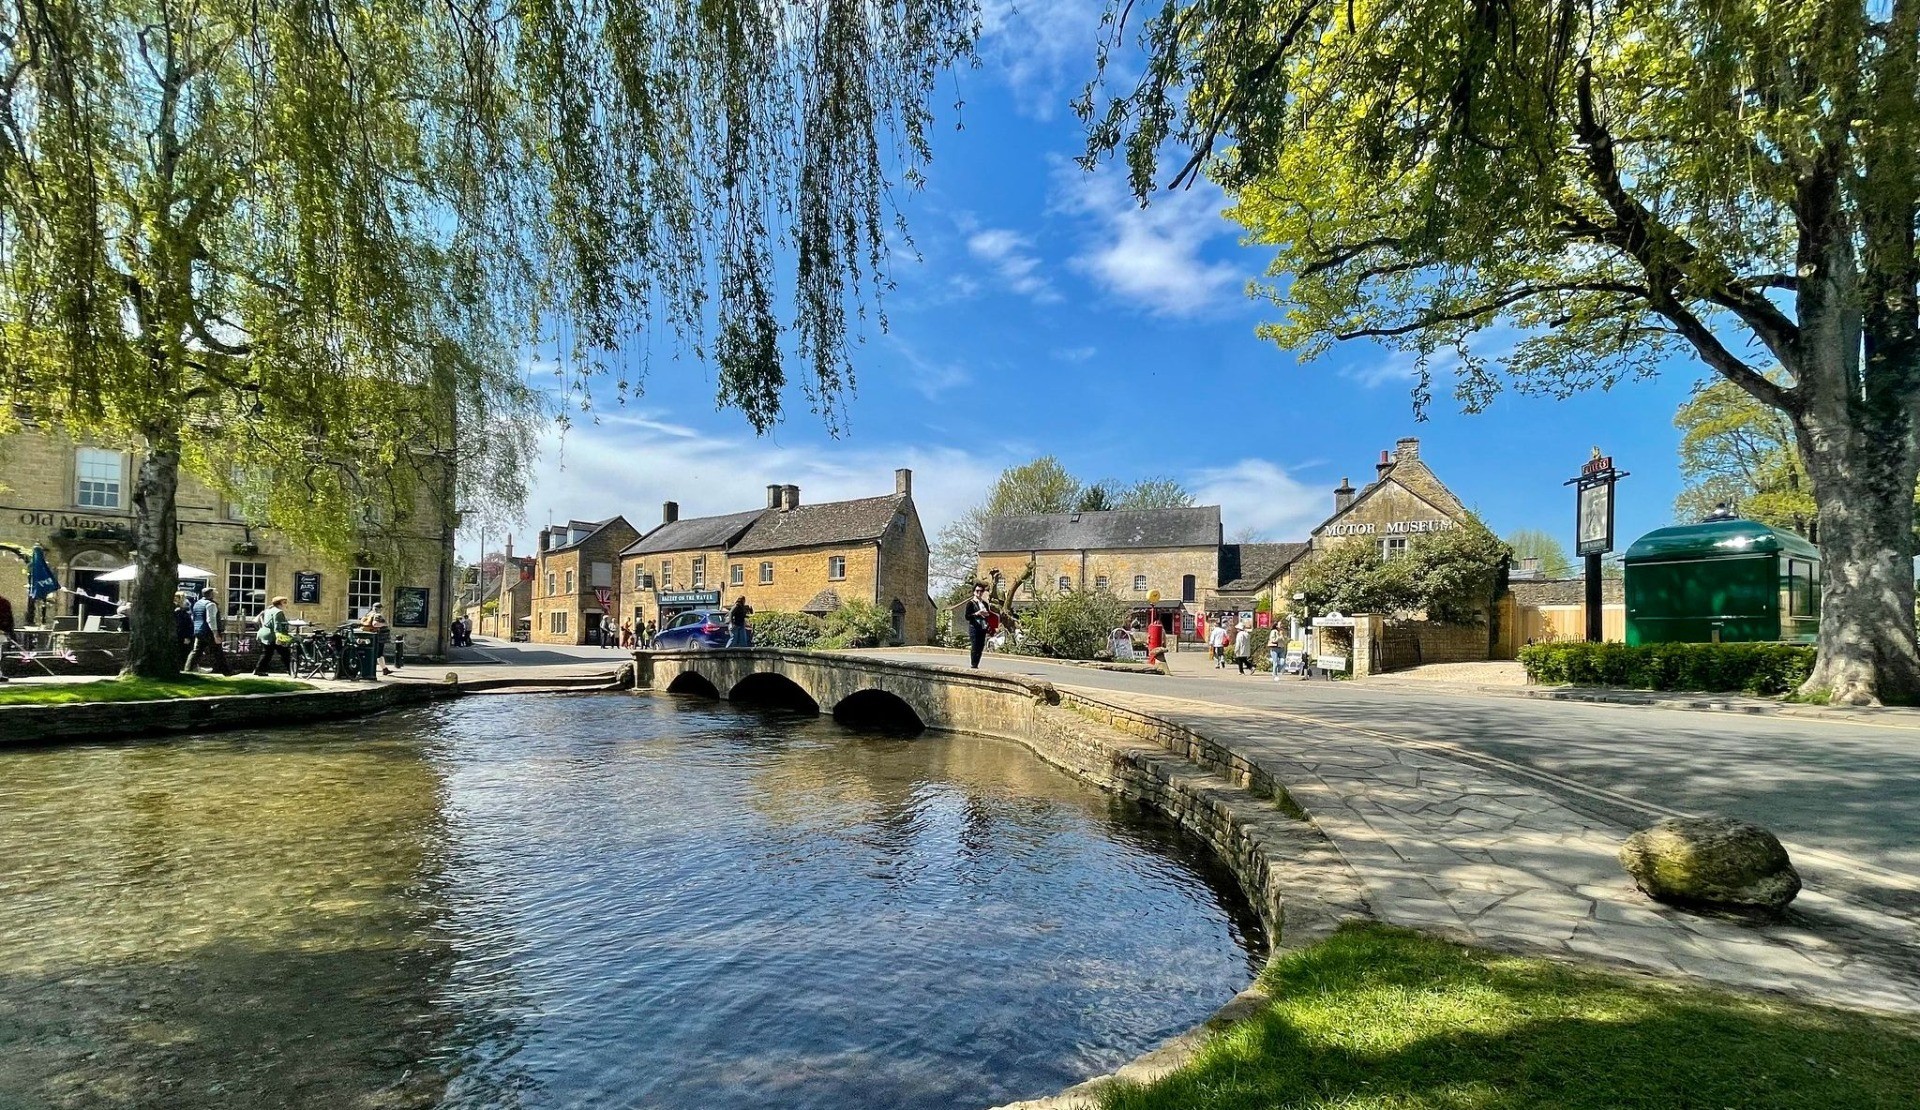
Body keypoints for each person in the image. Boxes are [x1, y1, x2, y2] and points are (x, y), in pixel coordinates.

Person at [184, 588, 232, 676]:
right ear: (211, 594)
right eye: (214, 593)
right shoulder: (211, 605)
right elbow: (211, 620)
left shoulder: (197, 604)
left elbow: (194, 617)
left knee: (196, 651)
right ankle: (226, 672)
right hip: (208, 631)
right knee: (218, 651)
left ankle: (188, 669)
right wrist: (216, 634)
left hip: (199, 630)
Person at [254, 595, 294, 676]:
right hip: (273, 635)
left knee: (267, 653)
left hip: (264, 633)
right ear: (279, 603)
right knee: (285, 653)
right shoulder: (278, 612)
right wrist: (279, 638)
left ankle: (259, 670)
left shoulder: (269, 610)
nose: (286, 604)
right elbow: (277, 626)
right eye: (284, 602)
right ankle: (291, 670)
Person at [963, 582, 993, 668]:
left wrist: (987, 615)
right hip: (974, 627)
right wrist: (977, 613)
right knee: (975, 645)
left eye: (981, 591)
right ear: (974, 591)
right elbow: (967, 616)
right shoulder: (971, 603)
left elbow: (989, 616)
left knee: (980, 646)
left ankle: (976, 664)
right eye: (977, 591)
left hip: (983, 627)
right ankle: (973, 664)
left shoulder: (985, 604)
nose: (979, 593)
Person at [360, 602, 390, 677]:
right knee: (379, 654)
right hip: (378, 637)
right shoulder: (377, 615)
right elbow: (375, 624)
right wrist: (385, 624)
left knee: (378, 654)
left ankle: (385, 669)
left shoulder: (369, 614)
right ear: (380, 609)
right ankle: (383, 670)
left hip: (370, 636)